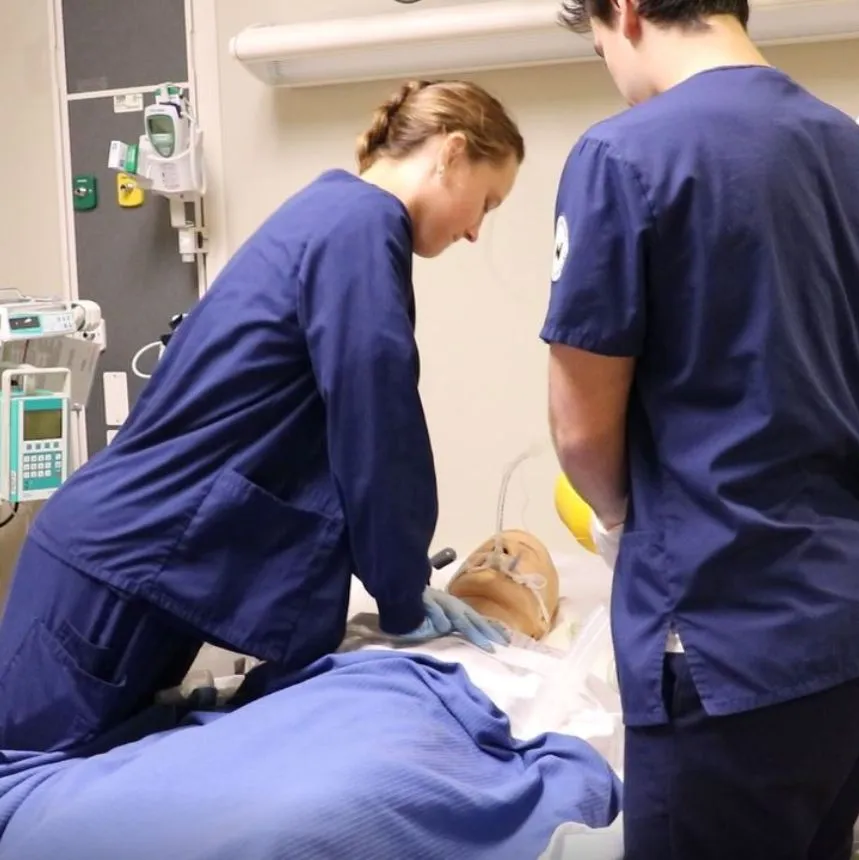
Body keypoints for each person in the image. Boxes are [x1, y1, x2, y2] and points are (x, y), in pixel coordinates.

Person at [0, 79, 524, 755]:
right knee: (26, 798)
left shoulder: (332, 213)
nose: (478, 229)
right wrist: (402, 593)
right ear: (451, 152)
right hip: (112, 575)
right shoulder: (361, 225)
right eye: (487, 201)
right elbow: (375, 424)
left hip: (122, 570)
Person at [541, 0, 859, 858]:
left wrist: (618, 524)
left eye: (601, 41)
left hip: (722, 644)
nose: (611, 65)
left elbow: (579, 428)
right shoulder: (848, 144)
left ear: (630, 11)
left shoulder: (624, 153)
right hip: (841, 633)